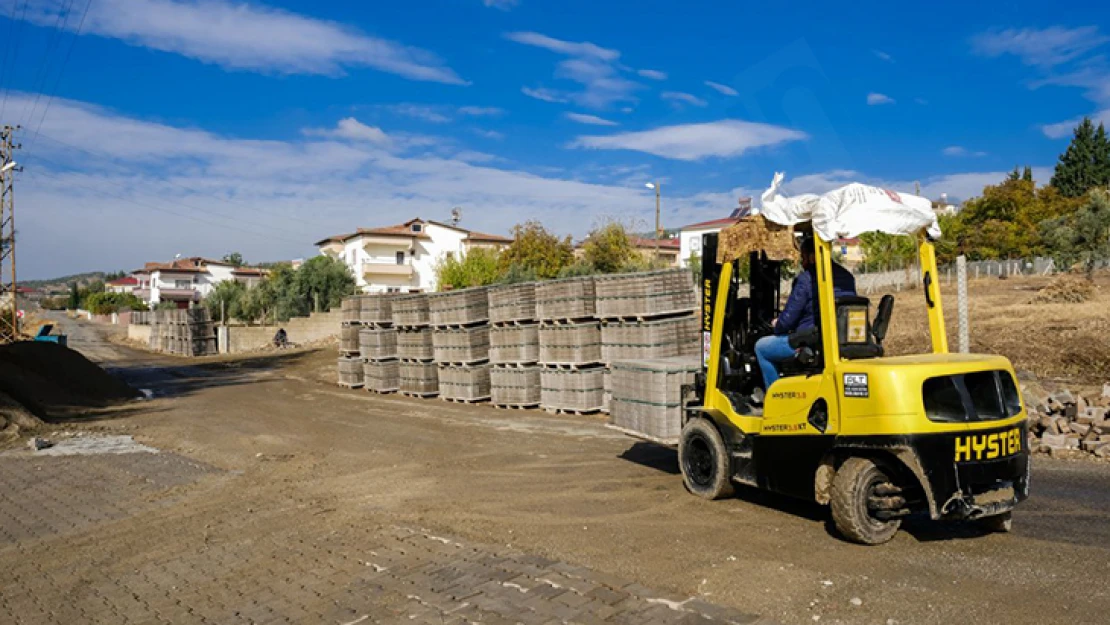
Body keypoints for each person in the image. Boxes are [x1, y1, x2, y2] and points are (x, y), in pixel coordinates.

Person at [754, 236, 857, 391]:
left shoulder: (807, 279)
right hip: (841, 338)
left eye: (803, 257)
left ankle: (775, 397)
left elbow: (788, 320)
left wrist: (777, 325)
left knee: (761, 347)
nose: (802, 262)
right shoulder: (847, 276)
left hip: (811, 339)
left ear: (812, 256)